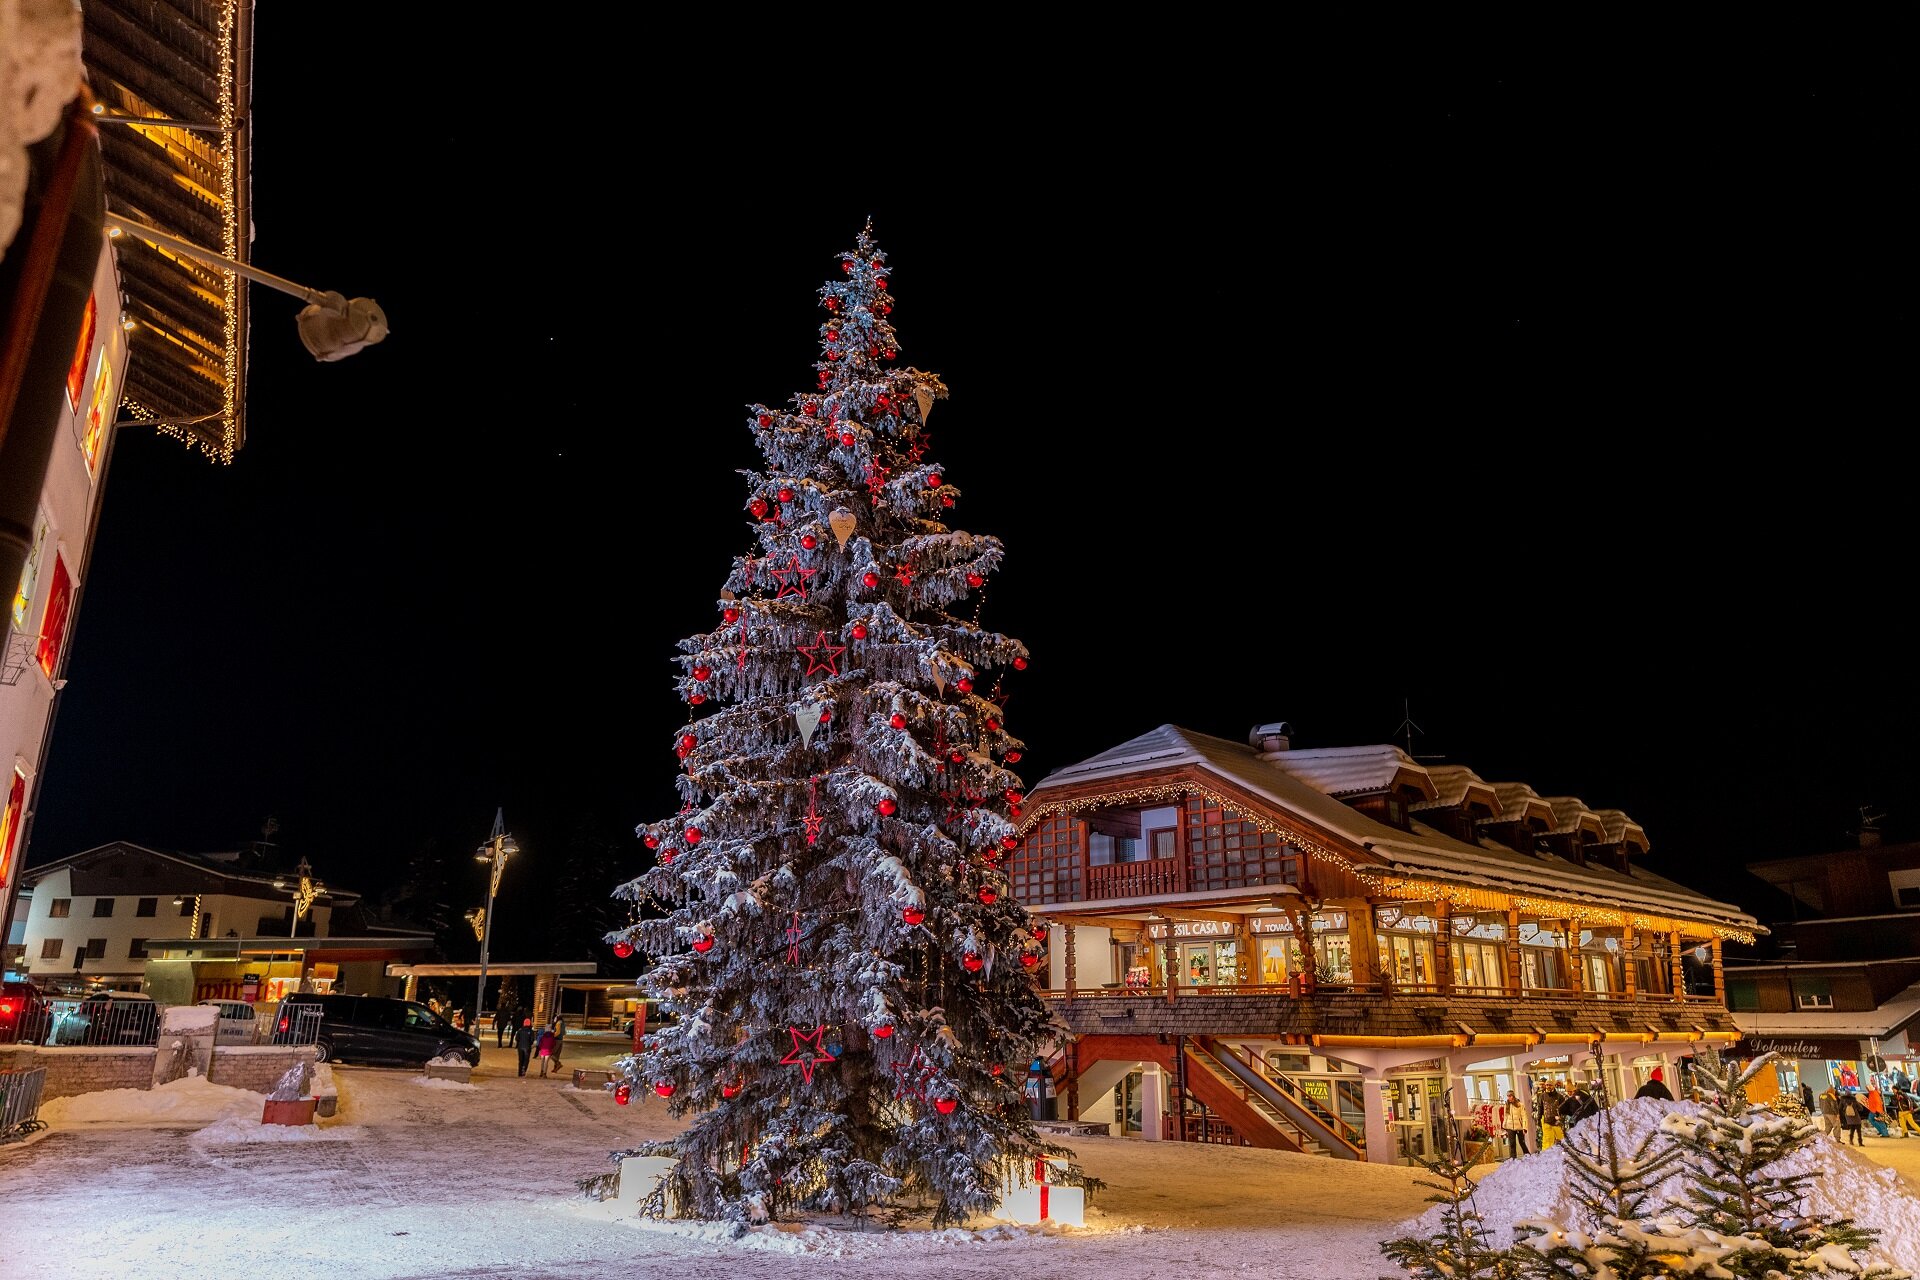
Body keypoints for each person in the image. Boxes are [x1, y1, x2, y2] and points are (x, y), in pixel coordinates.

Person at [1501, 1090, 1530, 1159]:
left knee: (1522, 1143)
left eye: (1510, 1096)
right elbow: (1505, 1116)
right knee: (1512, 1144)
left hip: (1519, 1127)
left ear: (1513, 1096)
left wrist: (1525, 1127)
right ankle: (1513, 1159)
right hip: (1509, 1127)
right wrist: (1504, 1127)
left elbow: (1524, 1116)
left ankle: (1528, 1157)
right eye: (1508, 1096)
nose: (1509, 1097)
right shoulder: (1506, 1105)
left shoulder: (1520, 1105)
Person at [1538, 1081, 1566, 1151]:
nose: (1548, 1087)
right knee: (1547, 1142)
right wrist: (1539, 1120)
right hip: (1546, 1122)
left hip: (1557, 1123)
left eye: (1550, 1085)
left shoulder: (1559, 1096)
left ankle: (1564, 1156)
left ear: (1553, 1086)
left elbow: (1564, 1109)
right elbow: (1540, 1108)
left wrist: (1562, 1119)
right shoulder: (1542, 1096)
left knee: (1561, 1141)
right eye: (1547, 1085)